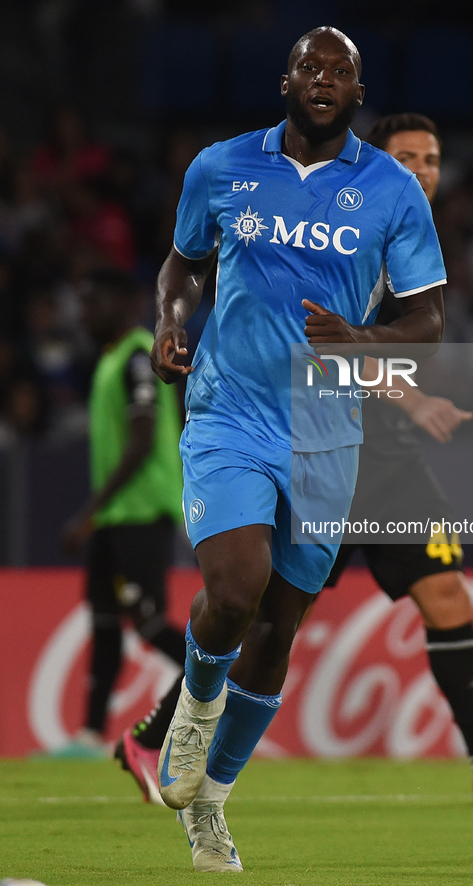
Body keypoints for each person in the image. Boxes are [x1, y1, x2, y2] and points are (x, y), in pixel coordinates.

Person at [116, 111, 473, 827]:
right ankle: (156, 735)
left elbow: (388, 341)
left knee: (444, 596)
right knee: (264, 615)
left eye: (431, 160)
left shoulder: (407, 238)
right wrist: (410, 393)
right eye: (408, 158)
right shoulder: (344, 220)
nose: (422, 172)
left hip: (381, 455)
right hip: (316, 441)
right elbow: (320, 344)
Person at [145, 26, 445, 872]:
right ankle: (191, 723)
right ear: (285, 82)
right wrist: (170, 323)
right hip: (229, 411)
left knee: (279, 629)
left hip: (324, 432)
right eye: (310, 66)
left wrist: (360, 336)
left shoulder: (391, 190)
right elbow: (182, 267)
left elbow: (427, 319)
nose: (323, 78)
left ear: (357, 93)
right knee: (233, 594)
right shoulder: (219, 167)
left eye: (339, 71)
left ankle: (211, 803)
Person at [60, 266, 186, 754]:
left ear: (120, 303)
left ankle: (221, 684)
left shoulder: (137, 355)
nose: (85, 313)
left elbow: (140, 441)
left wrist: (89, 510)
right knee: (105, 623)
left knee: (149, 622)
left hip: (139, 513)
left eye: (94, 302)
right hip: (116, 518)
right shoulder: (112, 359)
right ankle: (91, 735)